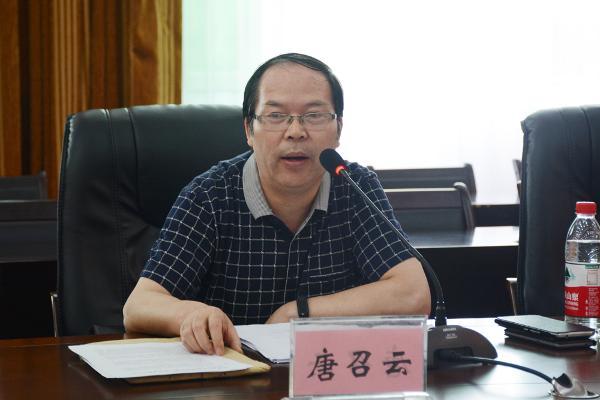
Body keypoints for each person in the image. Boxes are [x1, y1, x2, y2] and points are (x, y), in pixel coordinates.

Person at [123, 53, 431, 356]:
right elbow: (139, 305)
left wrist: (298, 313)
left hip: (324, 372)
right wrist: (192, 315)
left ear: (338, 129)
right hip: (233, 374)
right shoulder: (210, 197)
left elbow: (413, 293)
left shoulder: (355, 187)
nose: (295, 132)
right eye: (276, 116)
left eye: (314, 115)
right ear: (249, 130)